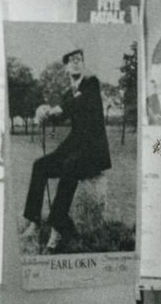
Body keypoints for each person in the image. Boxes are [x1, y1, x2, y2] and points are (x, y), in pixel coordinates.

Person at [20, 49, 111, 253]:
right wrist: (42, 111)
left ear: (83, 64)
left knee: (70, 166)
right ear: (66, 67)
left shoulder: (91, 84)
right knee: (40, 165)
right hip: (74, 146)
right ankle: (34, 222)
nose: (76, 63)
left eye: (79, 60)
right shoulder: (67, 93)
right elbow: (58, 115)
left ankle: (57, 228)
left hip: (94, 151)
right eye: (71, 61)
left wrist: (58, 109)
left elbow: (78, 103)